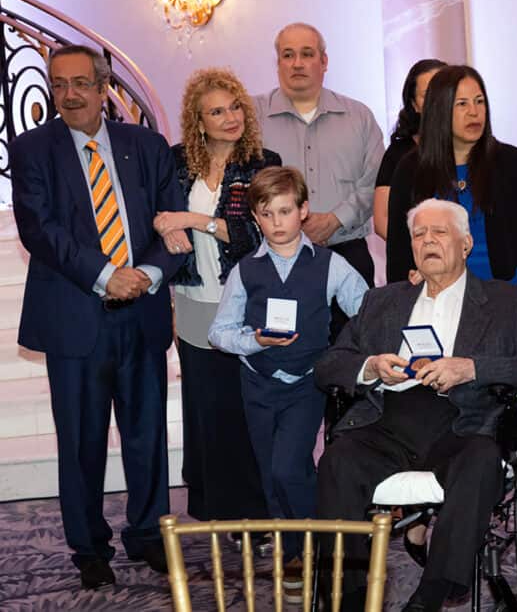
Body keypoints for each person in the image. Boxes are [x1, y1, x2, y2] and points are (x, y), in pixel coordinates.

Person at [316, 198, 517, 612]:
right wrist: (371, 367)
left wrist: (472, 368)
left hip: (465, 423)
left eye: (439, 232)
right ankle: (350, 596)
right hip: (388, 421)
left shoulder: (507, 304)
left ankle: (430, 596)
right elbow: (328, 367)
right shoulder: (382, 302)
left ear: (466, 244)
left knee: (481, 462)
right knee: (337, 462)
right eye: (419, 234)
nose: (428, 241)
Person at [9, 44, 185, 589]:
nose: (70, 95)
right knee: (81, 441)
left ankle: (149, 534)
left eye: (81, 83)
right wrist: (108, 274)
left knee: (146, 436)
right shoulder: (32, 149)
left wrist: (148, 274)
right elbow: (39, 229)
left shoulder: (146, 146)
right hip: (74, 317)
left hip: (142, 313)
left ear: (105, 87)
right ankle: (88, 547)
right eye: (59, 84)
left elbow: (172, 221)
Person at [208, 166, 368, 602]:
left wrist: (349, 353)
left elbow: (368, 311)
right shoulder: (245, 270)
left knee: (286, 466)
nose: (277, 222)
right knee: (273, 473)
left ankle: (316, 546)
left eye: (284, 211)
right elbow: (219, 332)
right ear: (255, 218)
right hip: (257, 382)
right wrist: (254, 341)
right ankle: (294, 550)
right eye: (267, 214)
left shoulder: (331, 265)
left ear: (303, 210)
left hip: (306, 383)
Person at [152, 68, 281, 527]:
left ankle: (256, 512)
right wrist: (165, 226)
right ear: (198, 121)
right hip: (192, 302)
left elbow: (256, 232)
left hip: (245, 304)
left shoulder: (263, 164)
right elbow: (157, 213)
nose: (231, 117)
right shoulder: (176, 162)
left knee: (246, 412)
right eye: (217, 111)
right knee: (206, 411)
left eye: (236, 107)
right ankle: (215, 509)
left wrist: (191, 220)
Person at [256, 22, 383, 338]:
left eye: (307, 54)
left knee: (354, 348)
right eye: (288, 55)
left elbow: (375, 181)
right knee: (285, 350)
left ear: (324, 61)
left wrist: (335, 220)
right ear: (278, 63)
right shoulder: (252, 117)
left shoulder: (359, 116)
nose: (297, 63)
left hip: (347, 252)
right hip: (276, 260)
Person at [386, 65, 517, 295]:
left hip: (502, 296)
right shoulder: (410, 169)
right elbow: (398, 252)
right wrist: (407, 298)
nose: (474, 112)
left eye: (479, 101)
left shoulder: (513, 163)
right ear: (440, 109)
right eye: (462, 104)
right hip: (435, 296)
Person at [373, 58, 447, 239]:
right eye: (427, 94)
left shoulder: (475, 149)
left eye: (443, 92)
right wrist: (420, 246)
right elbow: (382, 220)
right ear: (414, 105)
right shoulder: (399, 154)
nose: (437, 101)